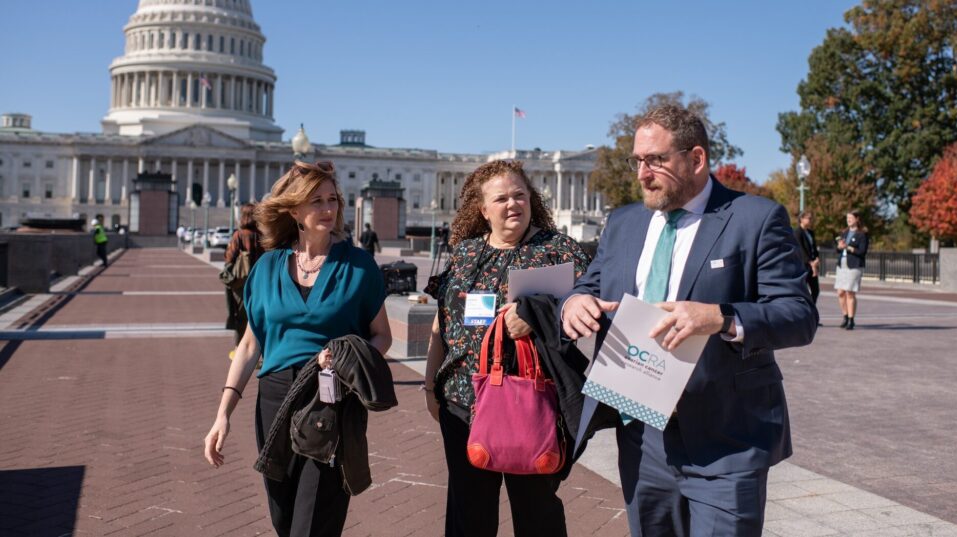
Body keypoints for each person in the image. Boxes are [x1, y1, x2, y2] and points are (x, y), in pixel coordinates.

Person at [561, 104, 817, 536]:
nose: (643, 173)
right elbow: (591, 284)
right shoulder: (623, 223)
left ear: (696, 159)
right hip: (642, 435)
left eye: (656, 160)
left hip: (726, 437)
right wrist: (574, 302)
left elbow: (798, 315)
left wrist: (720, 317)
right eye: (637, 161)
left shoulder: (756, 219)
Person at [203, 160, 392, 537]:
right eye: (315, 201)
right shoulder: (267, 267)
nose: (327, 208)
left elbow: (382, 335)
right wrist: (223, 414)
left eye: (332, 199)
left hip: (330, 398)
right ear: (293, 210)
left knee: (315, 521)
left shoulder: (359, 266)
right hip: (273, 399)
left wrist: (346, 360)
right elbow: (249, 344)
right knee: (283, 518)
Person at [423, 159, 590, 537]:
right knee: (469, 513)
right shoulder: (465, 253)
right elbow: (441, 324)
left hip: (532, 404)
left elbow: (589, 308)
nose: (513, 204)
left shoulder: (559, 250)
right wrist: (430, 385)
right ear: (483, 209)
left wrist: (540, 314)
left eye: (520, 195)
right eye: (501, 198)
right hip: (462, 405)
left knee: (537, 513)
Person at [224, 203, 265, 345]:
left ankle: (239, 349)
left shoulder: (239, 235)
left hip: (241, 283)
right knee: (256, 317)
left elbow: (229, 258)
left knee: (241, 318)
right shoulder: (261, 236)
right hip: (259, 283)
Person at [835, 210, 868, 330]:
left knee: (850, 292)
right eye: (847, 217)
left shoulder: (862, 234)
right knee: (840, 292)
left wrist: (848, 247)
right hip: (842, 265)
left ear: (857, 219)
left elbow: (862, 252)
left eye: (850, 218)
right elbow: (838, 249)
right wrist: (839, 247)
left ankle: (851, 319)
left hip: (854, 266)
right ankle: (845, 315)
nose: (848, 220)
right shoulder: (844, 232)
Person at [794, 210, 821, 312]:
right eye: (808, 218)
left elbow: (813, 247)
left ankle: (811, 311)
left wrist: (817, 259)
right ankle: (803, 312)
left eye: (811, 218)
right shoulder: (797, 232)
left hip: (813, 265)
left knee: (815, 290)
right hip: (803, 266)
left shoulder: (810, 232)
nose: (810, 220)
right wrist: (810, 262)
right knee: (802, 290)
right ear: (801, 219)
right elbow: (801, 249)